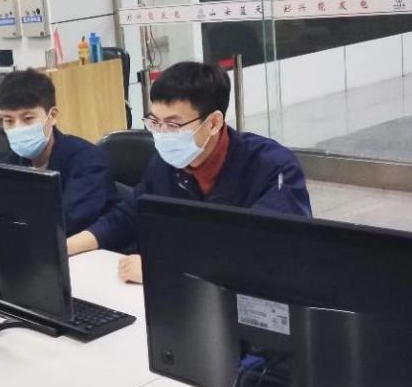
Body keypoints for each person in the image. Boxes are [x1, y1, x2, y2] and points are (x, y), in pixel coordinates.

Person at [67, 61, 311, 284]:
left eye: (173, 125)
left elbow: (264, 249)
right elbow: (129, 216)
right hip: (179, 297)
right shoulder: (164, 164)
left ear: (213, 123)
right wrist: (64, 247)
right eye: (155, 122)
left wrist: (163, 267)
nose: (161, 134)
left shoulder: (272, 167)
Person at [0, 69, 118, 235]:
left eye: (28, 119)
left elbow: (65, 222)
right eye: (9, 121)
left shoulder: (88, 161)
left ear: (52, 116)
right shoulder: (12, 161)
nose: (18, 128)